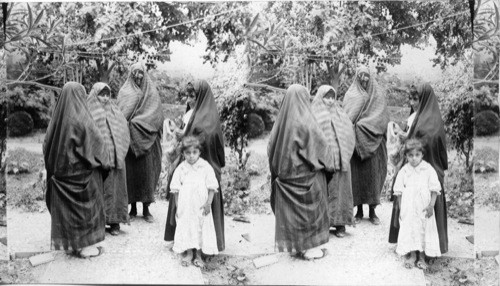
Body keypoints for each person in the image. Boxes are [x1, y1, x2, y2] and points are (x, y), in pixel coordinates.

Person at [268, 84, 335, 260]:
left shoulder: (279, 125)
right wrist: (328, 169)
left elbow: (271, 151)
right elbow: (324, 152)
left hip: (285, 181)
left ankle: (298, 246)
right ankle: (310, 248)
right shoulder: (307, 123)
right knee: (318, 185)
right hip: (307, 180)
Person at [43, 82, 109, 258]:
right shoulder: (83, 120)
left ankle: (74, 244)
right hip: (83, 178)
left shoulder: (55, 122)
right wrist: (104, 165)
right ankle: (85, 246)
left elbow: (46, 148)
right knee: (94, 187)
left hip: (61, 179)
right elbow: (99, 147)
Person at [165, 80, 226, 252]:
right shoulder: (195, 115)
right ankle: (186, 243)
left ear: (201, 97)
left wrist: (184, 138)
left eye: (193, 96)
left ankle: (205, 247)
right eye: (188, 96)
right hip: (190, 168)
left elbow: (203, 142)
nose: (190, 100)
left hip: (204, 170)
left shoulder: (207, 119)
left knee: (201, 211)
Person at [389, 83, 449, 255]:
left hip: (428, 172)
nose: (414, 103)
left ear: (424, 99)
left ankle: (429, 248)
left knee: (425, 210)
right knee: (410, 209)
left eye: (417, 99)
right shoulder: (419, 118)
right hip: (414, 169)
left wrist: (410, 140)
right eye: (412, 99)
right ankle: (410, 246)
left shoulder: (431, 121)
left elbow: (428, 142)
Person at [117, 63, 164, 223]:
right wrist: (129, 125)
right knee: (131, 174)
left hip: (147, 140)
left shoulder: (151, 93)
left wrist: (138, 123)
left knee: (146, 174)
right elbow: (121, 114)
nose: (138, 76)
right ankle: (133, 208)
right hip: (130, 141)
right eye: (135, 73)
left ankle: (146, 209)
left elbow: (155, 115)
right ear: (130, 75)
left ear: (145, 75)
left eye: (141, 73)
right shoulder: (124, 92)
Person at [343, 66, 389, 225]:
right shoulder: (350, 95)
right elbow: (346, 117)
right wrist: (354, 128)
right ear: (356, 77)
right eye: (361, 75)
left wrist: (363, 126)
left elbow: (381, 117)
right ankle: (359, 210)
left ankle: (372, 211)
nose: (364, 78)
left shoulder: (378, 94)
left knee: (372, 176)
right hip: (355, 143)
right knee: (357, 177)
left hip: (374, 141)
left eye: (367, 76)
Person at [311, 85, 356, 238]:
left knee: (341, 191)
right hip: (323, 163)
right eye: (326, 97)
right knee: (324, 192)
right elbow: (314, 137)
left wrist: (344, 154)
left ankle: (340, 224)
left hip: (341, 161)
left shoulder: (340, 113)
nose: (330, 101)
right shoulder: (314, 114)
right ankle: (324, 224)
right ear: (320, 97)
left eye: (332, 97)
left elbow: (349, 134)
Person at [87, 83, 130, 235]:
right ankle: (98, 222)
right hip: (97, 161)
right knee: (99, 190)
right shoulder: (89, 111)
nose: (105, 98)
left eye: (107, 95)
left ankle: (114, 222)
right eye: (101, 94)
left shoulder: (115, 111)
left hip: (116, 159)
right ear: (94, 94)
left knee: (115, 189)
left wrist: (119, 152)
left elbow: (124, 132)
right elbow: (88, 135)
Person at [170, 136, 219, 268]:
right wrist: (178, 206)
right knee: (187, 226)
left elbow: (212, 187)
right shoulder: (181, 168)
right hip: (186, 205)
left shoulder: (205, 166)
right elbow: (175, 189)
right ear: (183, 153)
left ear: (199, 152)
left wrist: (208, 203)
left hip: (200, 205)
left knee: (200, 227)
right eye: (188, 153)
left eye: (194, 152)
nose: (191, 156)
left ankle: (198, 254)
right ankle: (189, 253)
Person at [393, 139, 442, 269]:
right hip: (409, 207)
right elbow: (399, 192)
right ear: (406, 156)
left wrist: (431, 205)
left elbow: (435, 189)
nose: (414, 158)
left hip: (424, 207)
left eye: (417, 155)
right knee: (411, 229)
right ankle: (412, 256)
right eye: (410, 155)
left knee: (423, 229)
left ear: (422, 155)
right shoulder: (404, 170)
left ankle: (422, 256)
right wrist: (402, 208)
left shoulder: (427, 169)